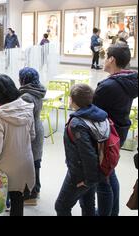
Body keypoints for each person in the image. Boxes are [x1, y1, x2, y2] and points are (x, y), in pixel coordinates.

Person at [93, 44, 138, 216]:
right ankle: (112, 211)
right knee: (110, 173)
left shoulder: (109, 86)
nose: (104, 60)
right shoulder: (128, 81)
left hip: (106, 136)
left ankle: (107, 212)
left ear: (112, 59)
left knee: (103, 178)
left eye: (105, 57)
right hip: (119, 132)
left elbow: (92, 111)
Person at [0, 74, 35, 216]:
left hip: (3, 169)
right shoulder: (28, 108)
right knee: (18, 200)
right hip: (24, 163)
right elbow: (32, 135)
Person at [55, 84, 109, 216]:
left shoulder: (77, 124)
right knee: (87, 203)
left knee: (61, 206)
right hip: (97, 170)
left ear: (72, 100)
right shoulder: (98, 115)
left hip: (81, 173)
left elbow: (88, 154)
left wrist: (88, 180)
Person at [18, 67, 47, 206]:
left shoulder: (26, 96)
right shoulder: (38, 90)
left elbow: (24, 120)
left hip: (31, 132)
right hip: (38, 127)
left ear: (24, 79)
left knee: (31, 163)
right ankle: (37, 188)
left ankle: (31, 195)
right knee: (36, 161)